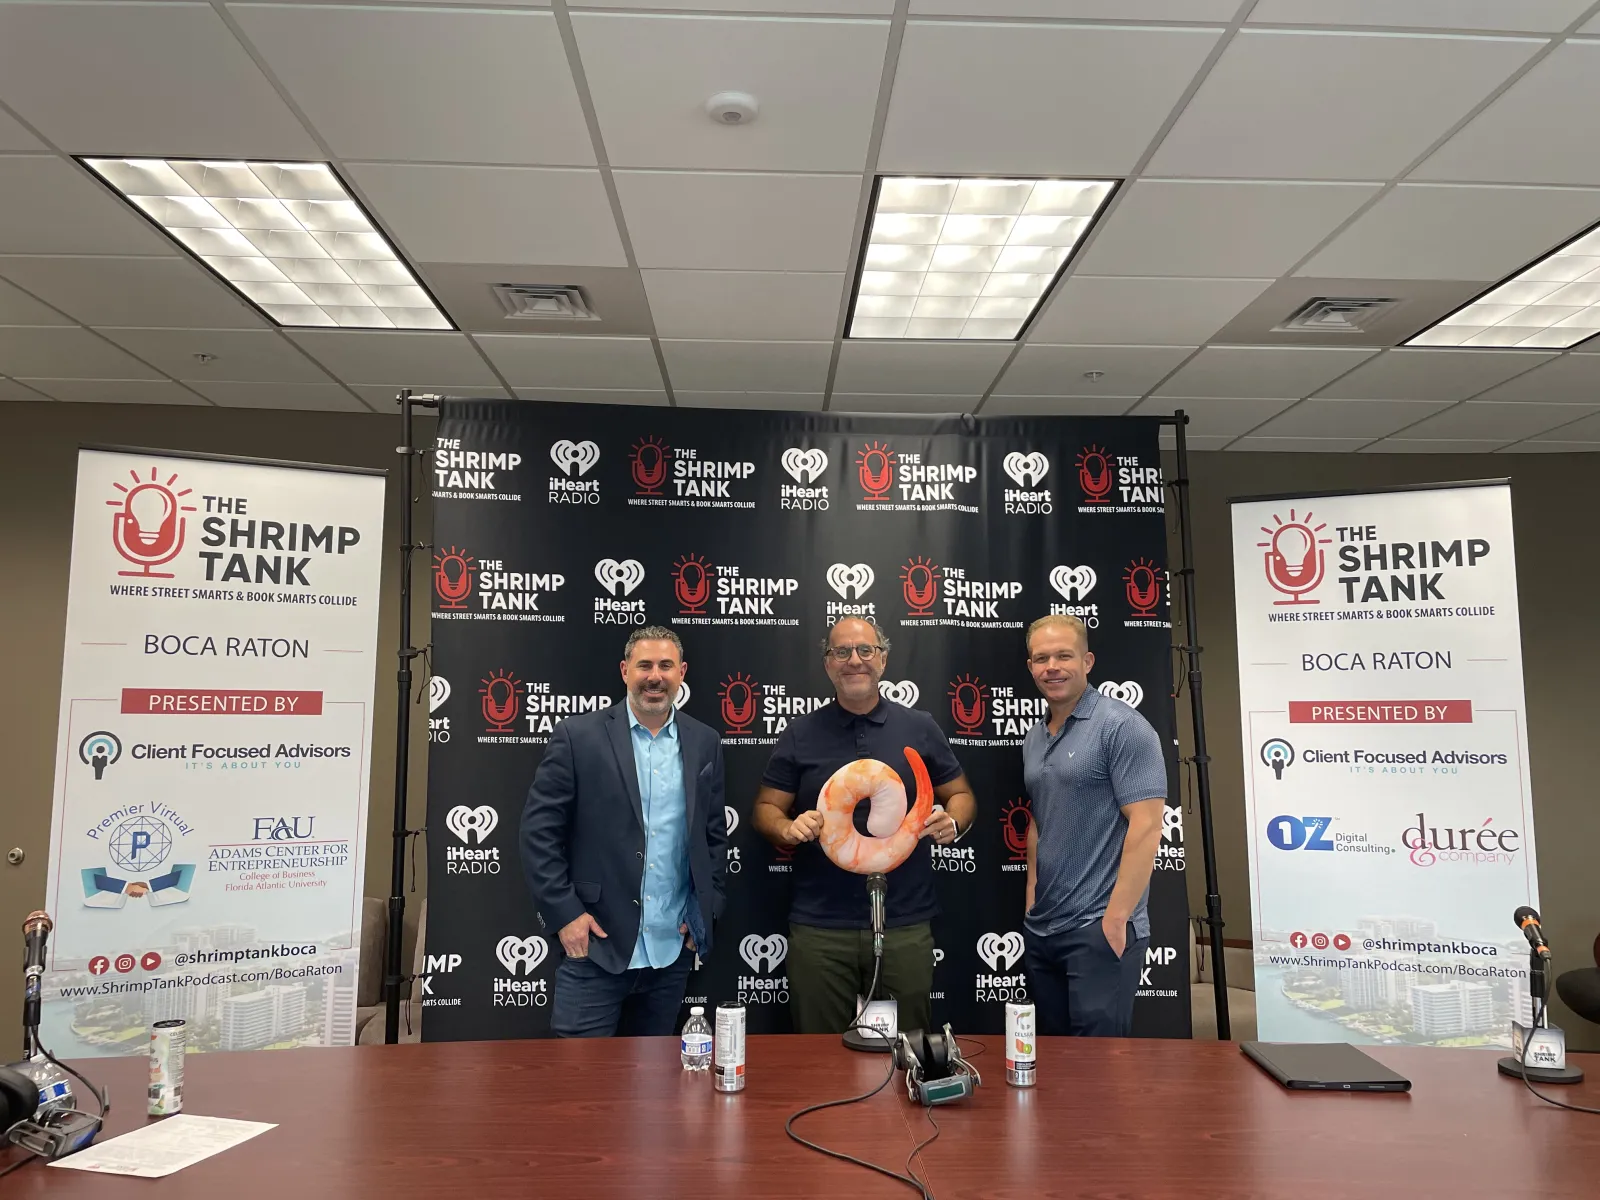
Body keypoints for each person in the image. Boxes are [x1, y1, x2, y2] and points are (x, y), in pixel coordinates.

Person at [753, 616, 975, 1036]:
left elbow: (961, 795)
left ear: (883, 660)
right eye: (842, 652)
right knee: (819, 1059)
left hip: (905, 923)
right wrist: (786, 828)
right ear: (827, 665)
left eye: (865, 650)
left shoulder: (919, 727)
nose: (854, 661)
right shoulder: (801, 733)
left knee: (910, 1052)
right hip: (820, 928)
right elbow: (766, 806)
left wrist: (954, 820)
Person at [521, 626, 726, 1037]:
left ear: (681, 672)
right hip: (596, 946)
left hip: (670, 953)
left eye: (666, 665)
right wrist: (566, 915)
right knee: (580, 1086)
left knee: (653, 1090)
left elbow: (713, 835)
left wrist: (706, 910)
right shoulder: (578, 737)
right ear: (624, 671)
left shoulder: (704, 742)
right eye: (644, 665)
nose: (655, 676)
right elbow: (538, 833)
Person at [1021, 614, 1166, 1037]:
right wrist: (1032, 894)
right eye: (1041, 658)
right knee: (1051, 1068)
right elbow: (1039, 818)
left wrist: (1117, 919)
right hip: (1043, 927)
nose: (1052, 666)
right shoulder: (1034, 737)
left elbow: (1147, 826)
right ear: (1030, 667)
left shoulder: (1122, 727)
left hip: (1098, 929)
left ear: (1087, 661)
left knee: (1100, 1074)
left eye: (1064, 656)